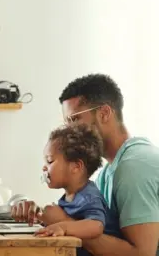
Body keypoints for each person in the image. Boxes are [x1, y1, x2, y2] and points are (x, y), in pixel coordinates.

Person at [11, 74, 159, 256]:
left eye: (74, 120)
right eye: (66, 123)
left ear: (104, 113)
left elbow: (142, 254)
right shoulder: (108, 172)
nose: (69, 131)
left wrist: (64, 222)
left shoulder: (134, 167)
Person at [34, 124, 122, 256]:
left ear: (76, 166)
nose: (44, 168)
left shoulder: (89, 197)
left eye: (50, 161)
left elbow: (96, 226)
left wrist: (62, 227)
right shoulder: (70, 197)